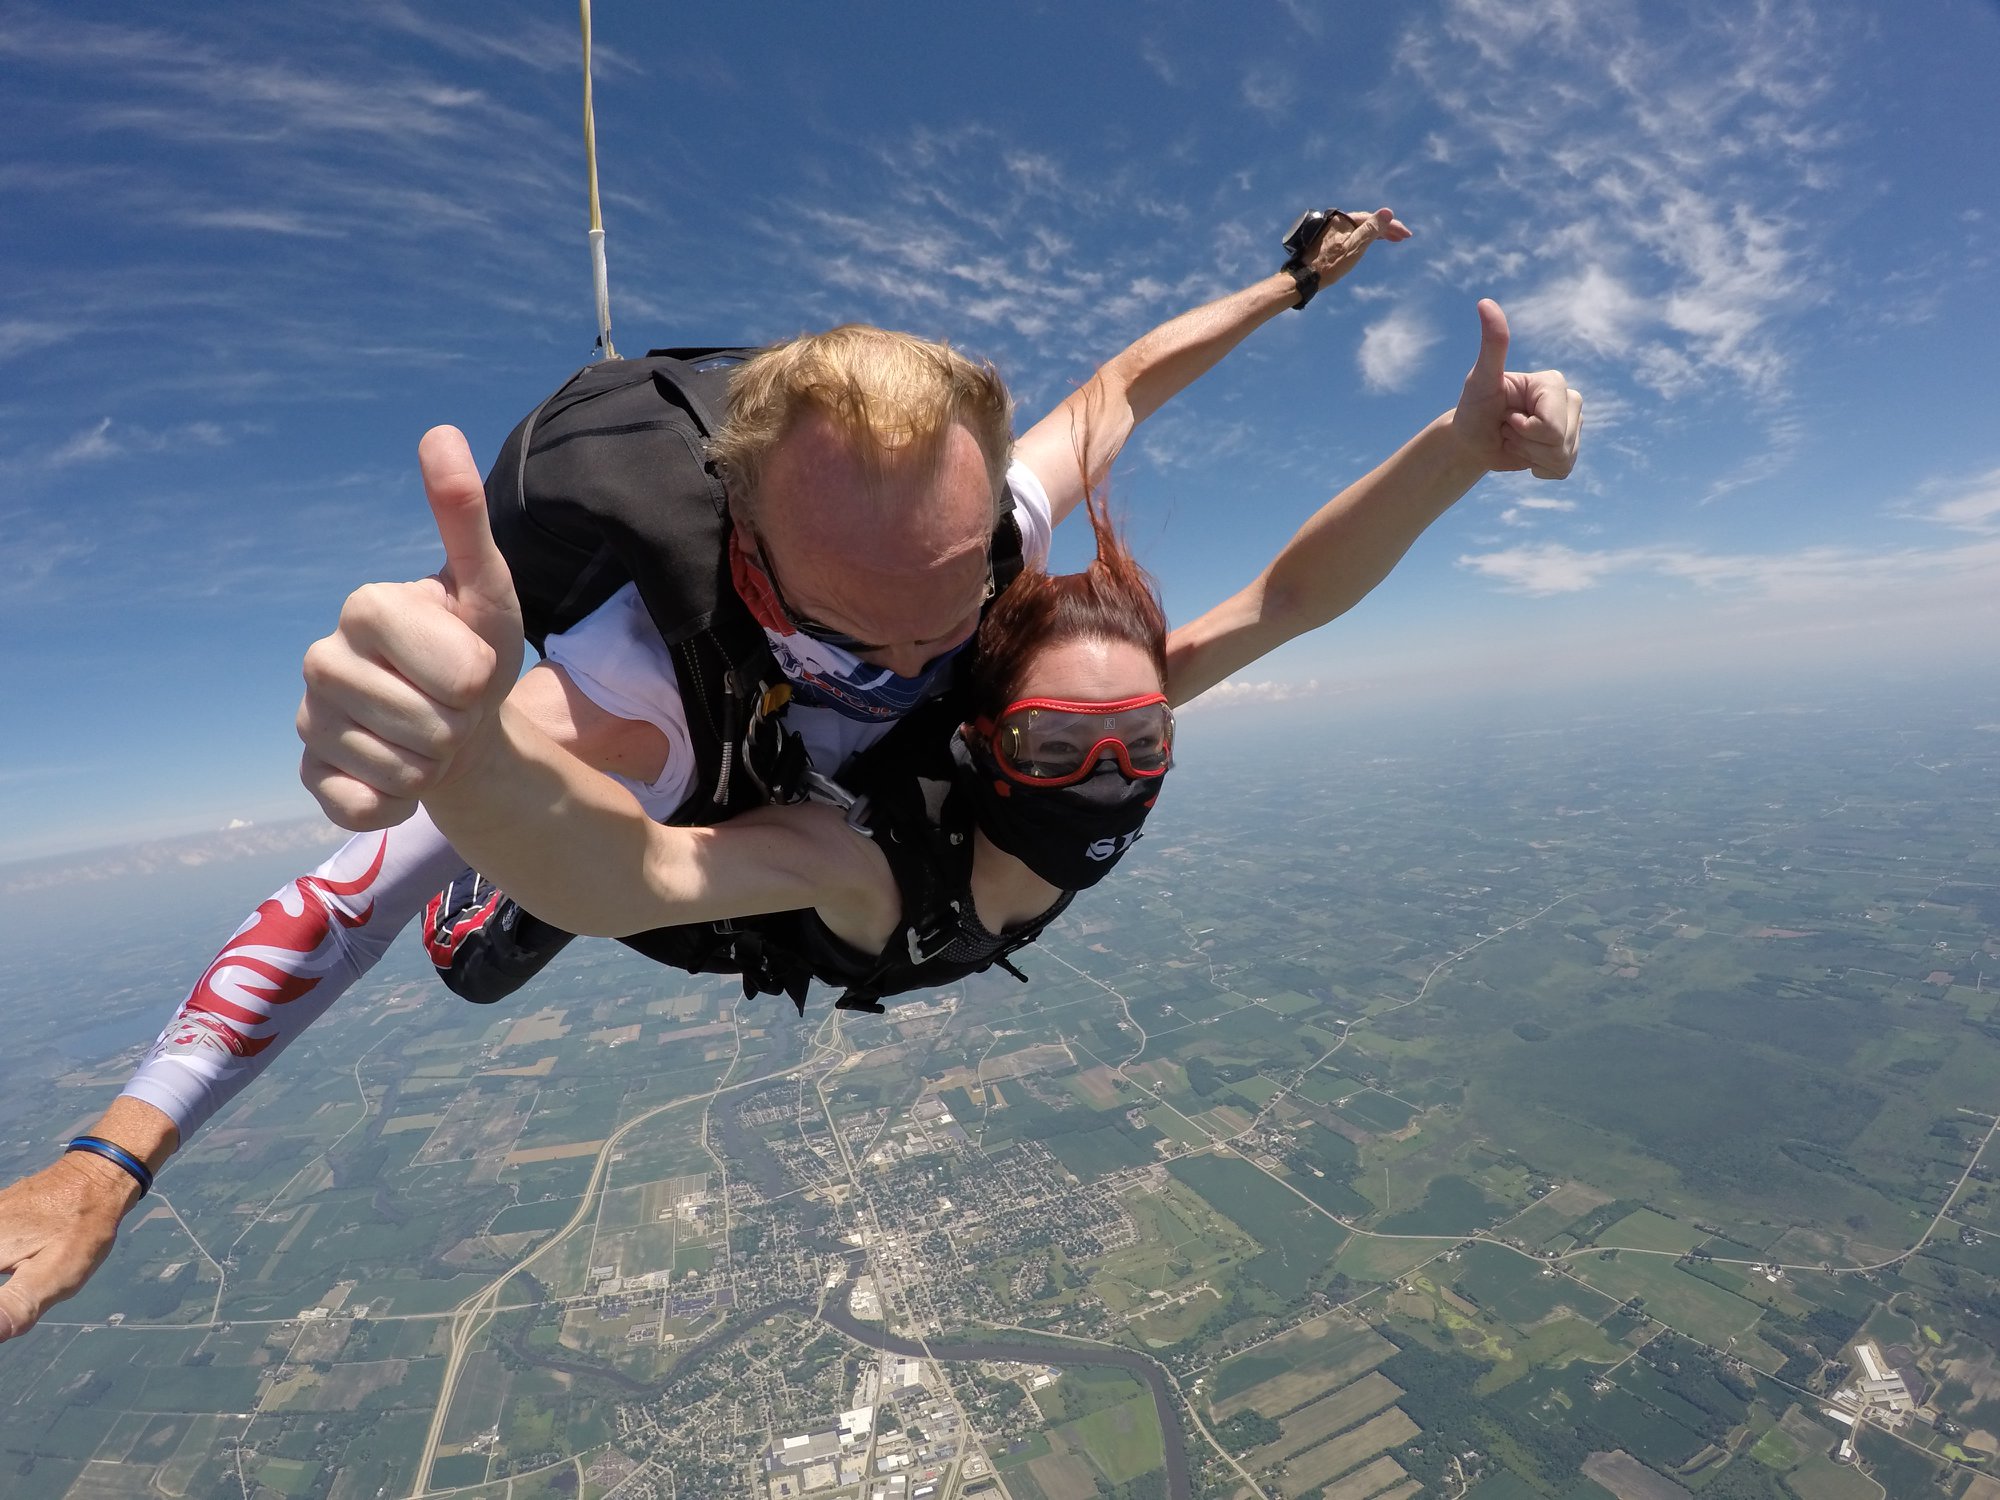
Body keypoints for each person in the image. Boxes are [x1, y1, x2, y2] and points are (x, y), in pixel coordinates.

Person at [0, 208, 1419, 1344]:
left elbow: (1123, 387)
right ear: (745, 556)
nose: (938, 640)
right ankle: (523, 890)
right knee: (493, 940)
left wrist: (1288, 286)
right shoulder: (624, 693)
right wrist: (116, 1154)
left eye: (956, 587)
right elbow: (337, 902)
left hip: (840, 835)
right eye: (863, 616)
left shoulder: (976, 523)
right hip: (693, 836)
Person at [402, 297, 1584, 1022]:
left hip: (908, 829)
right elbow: (642, 884)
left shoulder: (1034, 636)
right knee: (504, 931)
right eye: (1061, 747)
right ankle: (521, 875)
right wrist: (470, 770)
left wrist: (1452, 443)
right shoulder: (857, 864)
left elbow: (1277, 587)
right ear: (983, 738)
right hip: (806, 856)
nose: (1105, 769)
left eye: (1142, 738)